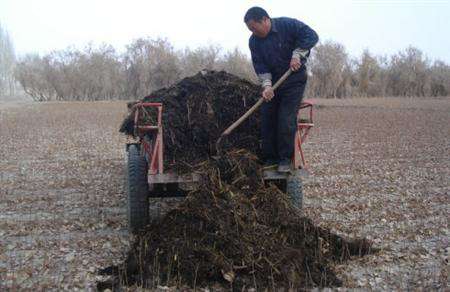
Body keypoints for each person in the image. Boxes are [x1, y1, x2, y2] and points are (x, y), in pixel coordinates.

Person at [244, 7, 318, 173]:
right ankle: (270, 158)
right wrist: (267, 86)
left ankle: (284, 159)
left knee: (285, 118)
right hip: (274, 83)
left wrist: (297, 54)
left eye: (254, 28)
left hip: (293, 81)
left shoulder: (287, 25)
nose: (253, 32)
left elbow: (311, 35)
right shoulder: (254, 41)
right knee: (267, 116)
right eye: (250, 30)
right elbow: (260, 65)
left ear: (265, 20)